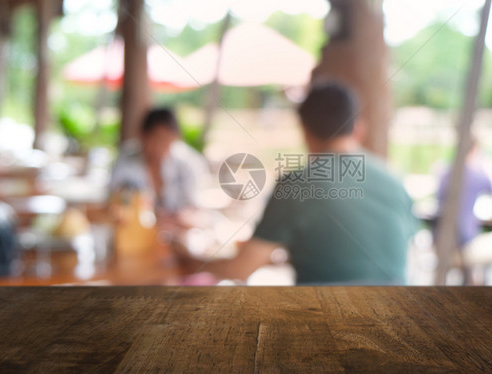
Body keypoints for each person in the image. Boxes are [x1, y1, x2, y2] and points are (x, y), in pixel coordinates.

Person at [175, 82, 418, 284]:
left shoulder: (297, 184)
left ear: (304, 130)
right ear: (358, 128)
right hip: (398, 317)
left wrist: (190, 260)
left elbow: (241, 270)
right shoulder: (394, 179)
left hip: (331, 322)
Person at [436, 137, 492, 285]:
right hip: (462, 249)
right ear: (475, 150)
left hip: (440, 247)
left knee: (476, 250)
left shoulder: (444, 172)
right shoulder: (477, 175)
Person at [109, 108, 208, 225]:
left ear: (174, 138)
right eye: (155, 139)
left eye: (165, 140)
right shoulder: (126, 161)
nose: (159, 147)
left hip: (177, 233)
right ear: (142, 135)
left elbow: (196, 209)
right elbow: (114, 202)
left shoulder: (187, 163)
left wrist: (182, 217)